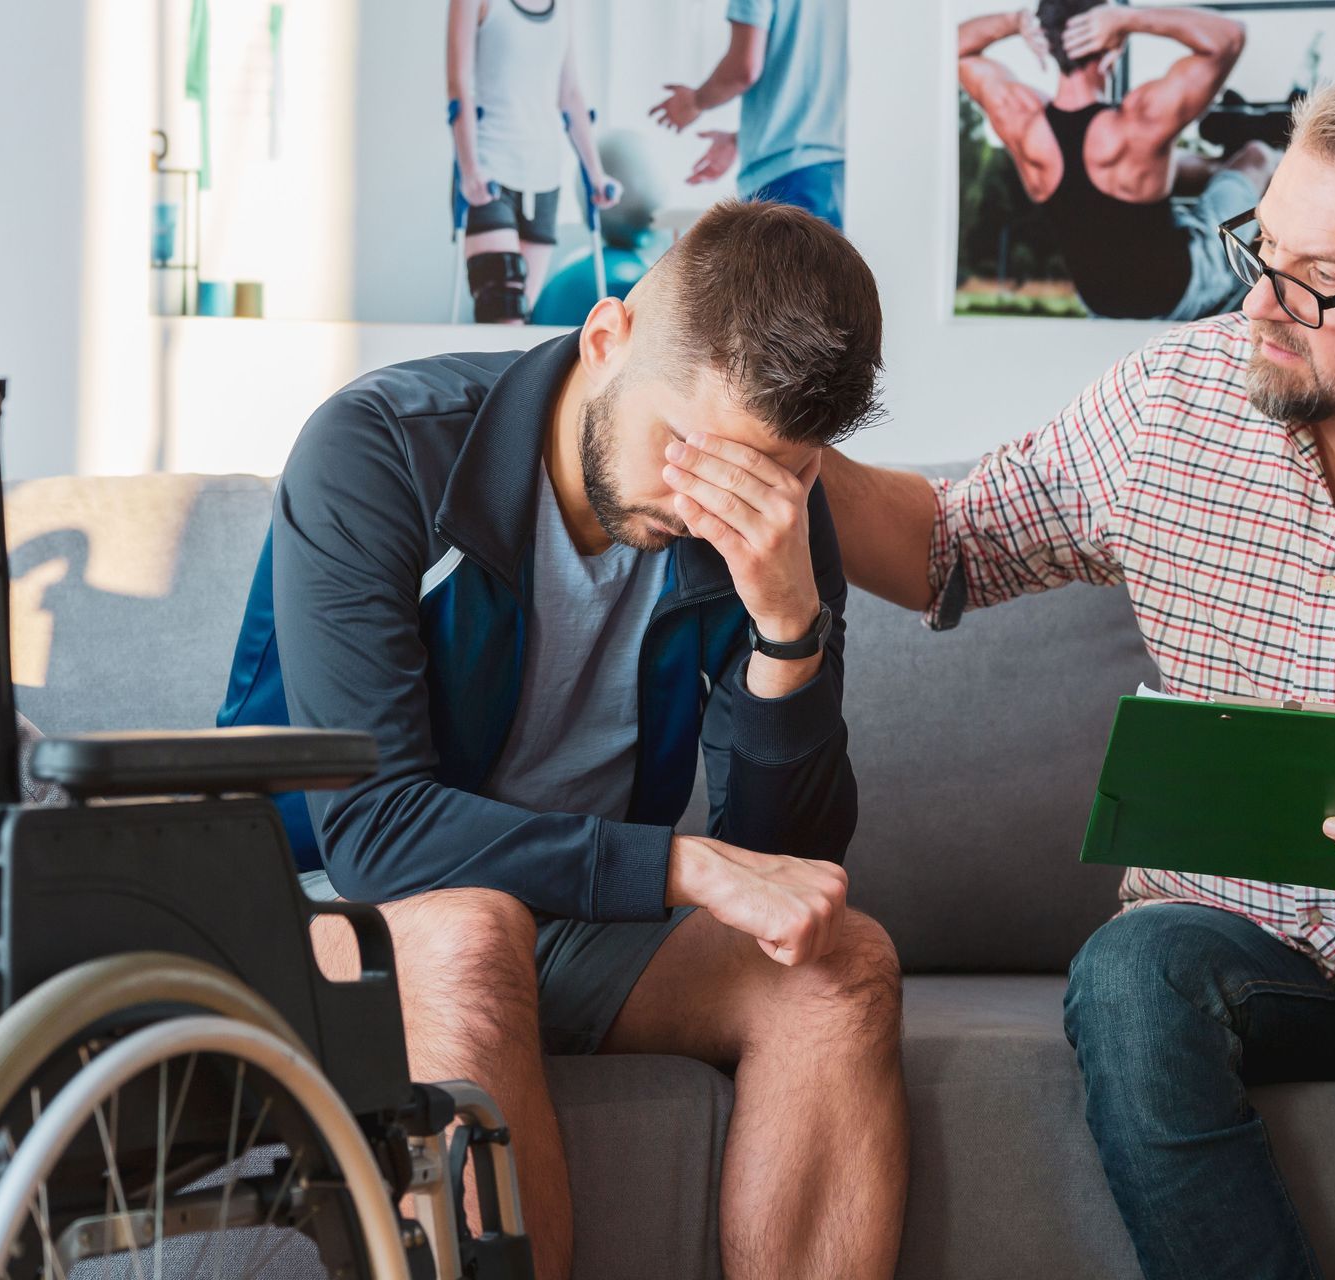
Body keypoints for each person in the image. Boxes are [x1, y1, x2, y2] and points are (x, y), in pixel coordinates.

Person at [821, 65, 1335, 1279]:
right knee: (1127, 971)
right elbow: (947, 543)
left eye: (1313, 282)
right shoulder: (1175, 399)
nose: (1258, 302)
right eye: (1258, 249)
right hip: (1236, 941)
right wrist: (781, 449)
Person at [219, 200, 907, 1280]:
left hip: (577, 918)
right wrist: (678, 864)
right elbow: (369, 831)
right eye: (683, 447)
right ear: (605, 339)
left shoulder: (769, 518)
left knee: (842, 964)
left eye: (765, 472)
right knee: (471, 934)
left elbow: (787, 866)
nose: (704, 501)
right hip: (330, 913)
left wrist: (787, 632)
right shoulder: (380, 452)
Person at [959, 2, 1277, 321]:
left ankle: (1217, 167)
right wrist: (1128, 19)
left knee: (1171, 164)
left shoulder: (1022, 120)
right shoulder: (1138, 122)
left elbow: (956, 48)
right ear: (1110, 39)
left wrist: (1016, 21)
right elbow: (1229, 37)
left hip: (1100, 304)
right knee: (1257, 157)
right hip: (1180, 292)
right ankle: (1241, 163)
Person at [447, 0, 620, 323]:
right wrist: (469, 169)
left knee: (519, 317)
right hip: (490, 169)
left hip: (543, 174)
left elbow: (568, 93)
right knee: (503, 310)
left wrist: (597, 174)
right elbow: (459, 86)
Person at [649, 0, 848, 231]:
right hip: (834, 173)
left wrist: (693, 102)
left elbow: (744, 70)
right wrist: (740, 139)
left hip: (785, 176)